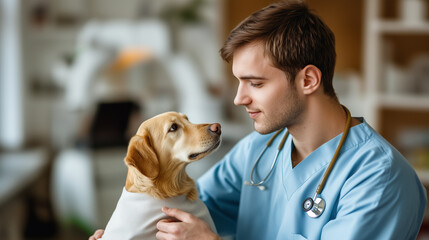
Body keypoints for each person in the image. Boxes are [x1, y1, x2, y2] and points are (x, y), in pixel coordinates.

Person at [90, 1, 427, 239]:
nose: (239, 98)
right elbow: (180, 214)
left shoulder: (380, 180)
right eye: (239, 82)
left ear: (308, 80)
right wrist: (127, 232)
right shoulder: (259, 149)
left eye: (256, 83)